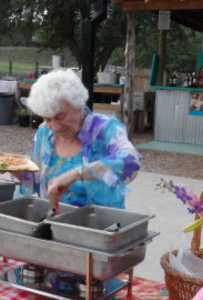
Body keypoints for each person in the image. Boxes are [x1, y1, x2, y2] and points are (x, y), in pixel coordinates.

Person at [14, 69, 141, 208]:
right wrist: (17, 171)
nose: (55, 127)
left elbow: (132, 160)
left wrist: (76, 174)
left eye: (60, 116)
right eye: (47, 118)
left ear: (78, 105)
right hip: (54, 222)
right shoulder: (44, 132)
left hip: (99, 223)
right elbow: (35, 180)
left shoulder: (106, 129)